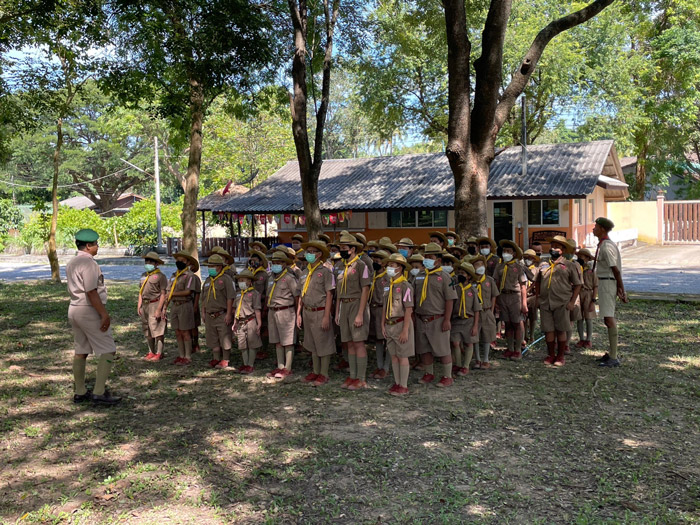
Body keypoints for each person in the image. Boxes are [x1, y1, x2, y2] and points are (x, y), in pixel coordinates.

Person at [66, 229, 121, 405]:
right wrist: (103, 314)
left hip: (74, 308)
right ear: (88, 246)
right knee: (108, 349)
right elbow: (91, 291)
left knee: (81, 350)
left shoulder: (72, 262)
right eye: (96, 244)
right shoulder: (88, 264)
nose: (98, 247)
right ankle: (99, 392)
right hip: (88, 310)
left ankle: (80, 391)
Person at [414, 242, 457, 387]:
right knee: (424, 348)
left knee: (442, 348)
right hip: (421, 318)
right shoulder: (419, 276)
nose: (427, 260)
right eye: (425, 257)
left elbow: (450, 299)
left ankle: (447, 376)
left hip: (437, 318)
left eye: (430, 257)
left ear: (438, 260)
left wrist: (447, 319)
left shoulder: (445, 277)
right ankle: (428, 373)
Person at [535, 236, 582, 367]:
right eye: (552, 245)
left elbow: (578, 284)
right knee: (548, 330)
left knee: (561, 330)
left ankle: (560, 355)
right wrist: (538, 297)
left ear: (562, 250)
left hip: (562, 302)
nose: (554, 249)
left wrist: (572, 302)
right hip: (545, 302)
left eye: (557, 246)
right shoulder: (544, 264)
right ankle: (550, 354)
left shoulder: (569, 265)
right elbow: (537, 281)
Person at [335, 232, 372, 390]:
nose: (342, 251)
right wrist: (337, 311)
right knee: (349, 342)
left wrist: (360, 313)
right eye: (341, 248)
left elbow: (365, 290)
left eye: (345, 248)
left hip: (357, 304)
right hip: (344, 305)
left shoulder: (361, 265)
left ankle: (361, 378)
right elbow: (338, 292)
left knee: (358, 342)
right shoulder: (341, 266)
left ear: (353, 249)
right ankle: (353, 375)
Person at [297, 241, 335, 386]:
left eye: (312, 252)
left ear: (319, 255)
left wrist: (326, 316)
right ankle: (315, 370)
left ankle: (324, 373)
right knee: (311, 342)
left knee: (323, 342)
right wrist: (299, 313)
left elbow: (329, 294)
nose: (308, 254)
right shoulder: (305, 272)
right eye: (308, 251)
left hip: (320, 311)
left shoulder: (325, 272)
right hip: (307, 311)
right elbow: (302, 293)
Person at [593, 217, 628, 367]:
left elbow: (615, 269)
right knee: (607, 318)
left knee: (609, 318)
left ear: (601, 229)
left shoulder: (607, 247)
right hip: (604, 281)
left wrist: (622, 289)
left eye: (595, 226)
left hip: (608, 282)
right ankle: (611, 353)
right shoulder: (604, 244)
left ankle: (613, 356)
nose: (593, 229)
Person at [381, 253, 415, 396]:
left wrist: (405, 330)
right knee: (394, 355)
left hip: (401, 324)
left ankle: (404, 385)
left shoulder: (405, 286)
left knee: (402, 355)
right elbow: (385, 307)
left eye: (392, 265)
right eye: (388, 265)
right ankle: (396, 382)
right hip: (390, 325)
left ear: (400, 268)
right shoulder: (388, 286)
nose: (389, 268)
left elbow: (408, 309)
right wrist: (382, 325)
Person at [265, 250, 300, 379]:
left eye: (279, 262)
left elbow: (297, 296)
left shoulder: (289, 278)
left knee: (288, 340)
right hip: (273, 311)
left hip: (286, 311)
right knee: (277, 340)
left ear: (284, 264)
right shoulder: (270, 278)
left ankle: (288, 367)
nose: (276, 265)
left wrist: (297, 313)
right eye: (273, 262)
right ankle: (280, 366)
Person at [493, 240, 528, 360]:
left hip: (515, 296)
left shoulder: (518, 267)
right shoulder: (500, 266)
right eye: (504, 251)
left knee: (516, 323)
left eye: (509, 251)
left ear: (513, 253)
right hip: (503, 296)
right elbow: (496, 283)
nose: (506, 253)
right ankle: (510, 348)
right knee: (507, 323)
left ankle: (518, 349)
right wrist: (496, 300)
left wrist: (524, 303)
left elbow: (523, 286)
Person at [201, 254, 235, 368]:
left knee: (224, 336)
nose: (210, 268)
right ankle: (215, 358)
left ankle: (225, 359)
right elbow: (204, 298)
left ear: (220, 266)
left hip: (222, 313)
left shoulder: (226, 279)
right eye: (209, 266)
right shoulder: (207, 280)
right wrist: (203, 311)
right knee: (212, 338)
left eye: (213, 266)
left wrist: (229, 313)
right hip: (210, 314)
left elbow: (230, 297)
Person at [166, 251, 198, 365]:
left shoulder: (190, 276)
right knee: (177, 331)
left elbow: (188, 291)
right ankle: (181, 355)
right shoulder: (173, 276)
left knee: (185, 331)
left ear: (188, 262)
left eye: (182, 261)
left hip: (185, 305)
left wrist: (172, 294)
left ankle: (188, 356)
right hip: (175, 305)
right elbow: (168, 290)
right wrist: (164, 307)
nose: (179, 262)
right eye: (177, 260)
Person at [450, 262, 482, 375]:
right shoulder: (455, 288)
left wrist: (475, 325)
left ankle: (465, 366)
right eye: (459, 273)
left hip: (469, 320)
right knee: (455, 342)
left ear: (468, 276)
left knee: (469, 343)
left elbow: (477, 309)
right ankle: (457, 364)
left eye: (463, 273)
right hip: (456, 320)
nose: (460, 275)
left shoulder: (473, 290)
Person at [138, 251, 168, 361]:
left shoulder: (160, 276)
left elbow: (163, 293)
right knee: (147, 329)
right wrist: (139, 305)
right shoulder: (143, 276)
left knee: (157, 328)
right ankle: (151, 351)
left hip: (155, 304)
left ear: (156, 264)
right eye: (147, 261)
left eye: (151, 261)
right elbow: (141, 292)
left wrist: (159, 309)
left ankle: (159, 352)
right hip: (145, 305)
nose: (148, 263)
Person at [470, 255, 499, 370]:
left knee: (487, 335)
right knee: (475, 336)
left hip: (486, 311)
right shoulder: (471, 281)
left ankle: (486, 359)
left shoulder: (489, 280)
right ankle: (477, 359)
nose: (479, 267)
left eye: (481, 265)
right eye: (477, 265)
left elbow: (494, 296)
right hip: (474, 313)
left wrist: (491, 310)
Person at [232, 269, 263, 374]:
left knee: (252, 343)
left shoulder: (254, 293)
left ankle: (250, 364)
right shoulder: (237, 294)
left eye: (243, 280)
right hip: (240, 322)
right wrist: (234, 323)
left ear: (249, 281)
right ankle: (245, 364)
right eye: (239, 280)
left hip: (250, 320)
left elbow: (257, 309)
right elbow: (235, 309)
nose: (240, 282)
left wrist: (259, 323)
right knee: (242, 344)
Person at [368, 250, 391, 379]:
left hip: (384, 310)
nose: (375, 262)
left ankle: (386, 367)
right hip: (373, 309)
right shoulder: (372, 275)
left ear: (383, 263)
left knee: (387, 339)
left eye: (378, 260)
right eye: (374, 260)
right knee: (377, 339)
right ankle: (379, 365)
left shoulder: (387, 277)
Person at [574, 248, 598, 349]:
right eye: (579, 256)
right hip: (579, 294)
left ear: (587, 258)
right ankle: (581, 339)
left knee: (588, 318)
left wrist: (593, 300)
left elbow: (595, 286)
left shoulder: (591, 271)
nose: (580, 258)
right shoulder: (576, 268)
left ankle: (588, 339)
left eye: (582, 256)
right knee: (579, 318)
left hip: (588, 294)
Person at [522, 248, 541, 345]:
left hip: (532, 296)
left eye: (529, 258)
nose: (527, 260)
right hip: (523, 296)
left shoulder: (536, 270)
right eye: (525, 258)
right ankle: (524, 334)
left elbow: (536, 282)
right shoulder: (521, 268)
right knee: (524, 317)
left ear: (534, 259)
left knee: (533, 317)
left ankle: (532, 335)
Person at [189, 258, 202, 354]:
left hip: (193, 302)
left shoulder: (195, 278)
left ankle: (195, 343)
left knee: (194, 325)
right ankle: (189, 343)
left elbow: (197, 293)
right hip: (185, 304)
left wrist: (195, 305)